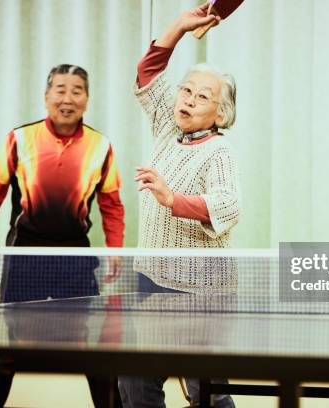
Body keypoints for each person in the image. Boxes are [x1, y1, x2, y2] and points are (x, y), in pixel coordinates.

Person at [0, 64, 125, 407]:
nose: (68, 98)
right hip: (25, 254)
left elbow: (112, 206)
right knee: (7, 351)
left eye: (77, 90)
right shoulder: (19, 139)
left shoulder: (101, 146)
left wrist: (116, 250)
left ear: (87, 99)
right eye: (60, 89)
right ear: (46, 95)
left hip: (76, 257)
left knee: (91, 349)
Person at [118, 3, 240, 407]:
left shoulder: (219, 151)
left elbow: (228, 206)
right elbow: (148, 75)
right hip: (151, 279)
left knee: (208, 391)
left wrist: (172, 199)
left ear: (220, 113)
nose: (186, 99)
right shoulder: (167, 125)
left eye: (201, 96)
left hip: (201, 290)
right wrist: (179, 28)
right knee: (135, 382)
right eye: (186, 90)